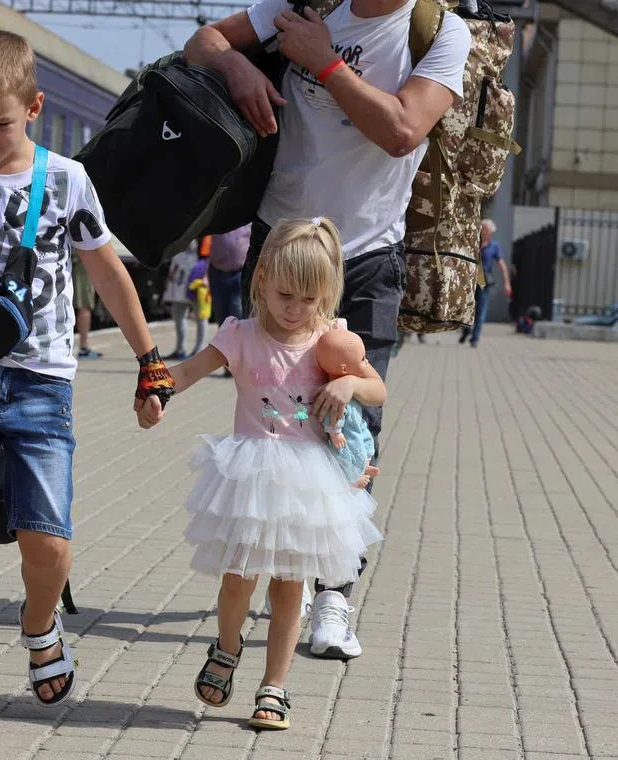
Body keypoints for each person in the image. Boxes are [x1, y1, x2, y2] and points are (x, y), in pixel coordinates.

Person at [0, 30, 174, 748]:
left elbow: (108, 273)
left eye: (2, 124)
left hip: (42, 384)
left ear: (35, 107)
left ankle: (39, 623)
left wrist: (149, 362)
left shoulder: (67, 180)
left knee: (46, 545)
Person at [184, 0, 470, 657]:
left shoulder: (440, 31)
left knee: (349, 432)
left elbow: (403, 129)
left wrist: (325, 62)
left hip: (366, 257)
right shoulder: (301, 3)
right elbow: (201, 40)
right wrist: (235, 67)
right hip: (281, 246)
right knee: (273, 418)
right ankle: (275, 572)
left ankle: (334, 595)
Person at [137, 218, 385, 730]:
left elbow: (377, 388)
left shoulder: (331, 340)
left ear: (327, 294)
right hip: (248, 475)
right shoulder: (241, 335)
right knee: (237, 578)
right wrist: (157, 392)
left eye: (309, 300)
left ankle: (274, 686)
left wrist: (349, 388)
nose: (295, 309)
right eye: (285, 295)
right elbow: (186, 371)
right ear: (262, 279)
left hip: (307, 482)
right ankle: (227, 649)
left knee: (291, 584)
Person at [460, 218, 512, 347]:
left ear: (491, 232)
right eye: (481, 228)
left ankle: (475, 339)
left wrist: (507, 283)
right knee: (467, 309)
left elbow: (502, 265)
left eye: (485, 229)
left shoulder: (494, 247)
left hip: (484, 282)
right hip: (470, 280)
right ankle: (466, 330)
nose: (482, 231)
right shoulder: (473, 243)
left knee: (481, 311)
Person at [162, 243, 202, 360]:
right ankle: (180, 349)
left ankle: (199, 349)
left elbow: (207, 251)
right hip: (179, 272)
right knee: (178, 313)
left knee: (200, 314)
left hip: (196, 272)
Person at [208, 224, 251, 326]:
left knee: (237, 311)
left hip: (241, 273)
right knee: (221, 314)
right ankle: (225, 340)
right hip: (217, 273)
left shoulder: (248, 219)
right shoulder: (217, 216)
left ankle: (240, 341)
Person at [72, 258, 103, 358]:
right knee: (84, 305)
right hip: (80, 261)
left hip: (40, 266)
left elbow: (27, 245)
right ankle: (83, 348)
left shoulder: (28, 243)